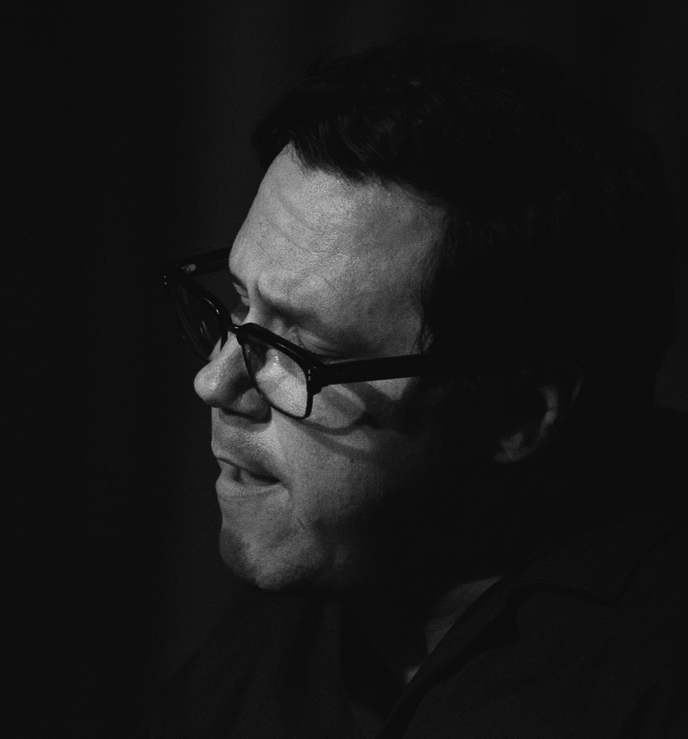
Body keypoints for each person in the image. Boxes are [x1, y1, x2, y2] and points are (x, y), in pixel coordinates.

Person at [144, 39, 687, 737]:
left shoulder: (648, 681)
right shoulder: (266, 653)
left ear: (518, 414)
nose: (215, 382)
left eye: (298, 348)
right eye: (240, 306)